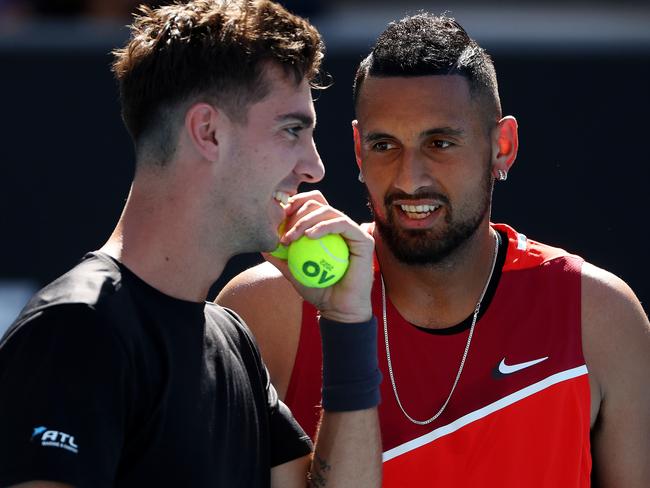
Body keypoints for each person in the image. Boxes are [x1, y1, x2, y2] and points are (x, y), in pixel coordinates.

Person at [216, 13, 650, 487]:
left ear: (502, 146)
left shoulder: (603, 318)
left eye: (440, 142)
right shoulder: (266, 311)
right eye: (385, 145)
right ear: (359, 150)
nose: (409, 178)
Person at [0, 1, 382, 487]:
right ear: (208, 132)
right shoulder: (76, 329)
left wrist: (348, 324)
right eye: (291, 130)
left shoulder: (233, 341)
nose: (314, 167)